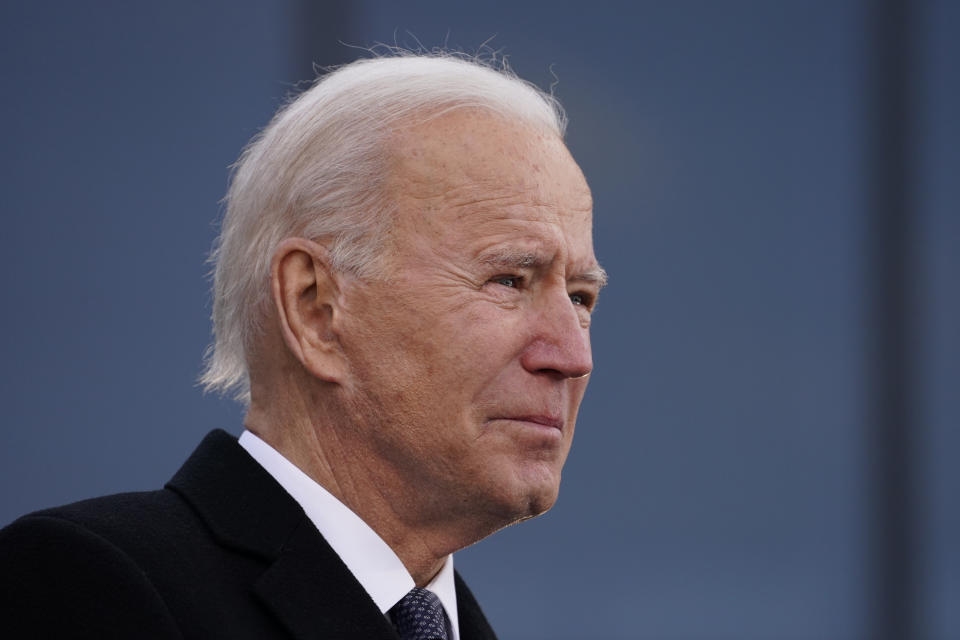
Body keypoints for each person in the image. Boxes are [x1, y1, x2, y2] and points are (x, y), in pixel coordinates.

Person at [0, 53, 605, 639]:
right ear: (315, 308)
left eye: (580, 298)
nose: (573, 358)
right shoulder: (93, 585)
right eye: (509, 280)